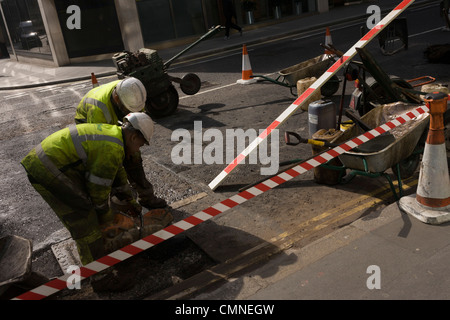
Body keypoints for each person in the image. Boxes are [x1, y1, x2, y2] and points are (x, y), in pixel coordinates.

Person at [21, 113, 172, 267]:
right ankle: (99, 274)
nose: (137, 151)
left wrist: (130, 201)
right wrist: (108, 224)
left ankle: (99, 252)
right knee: (85, 220)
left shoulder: (114, 136)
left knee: (90, 213)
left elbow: (118, 175)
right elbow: (98, 198)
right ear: (133, 138)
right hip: (47, 168)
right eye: (140, 145)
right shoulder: (111, 149)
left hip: (46, 161)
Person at [75, 77, 167, 210]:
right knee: (110, 161)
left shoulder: (132, 94)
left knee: (134, 157)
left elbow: (134, 135)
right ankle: (113, 202)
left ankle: (146, 197)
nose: (129, 113)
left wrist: (131, 150)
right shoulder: (98, 110)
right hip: (90, 124)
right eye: (126, 110)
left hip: (114, 116)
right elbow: (102, 148)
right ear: (117, 99)